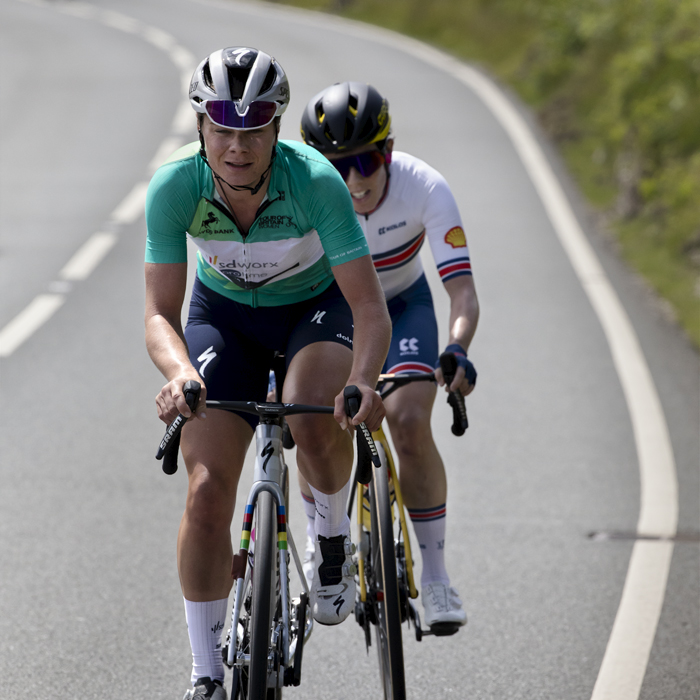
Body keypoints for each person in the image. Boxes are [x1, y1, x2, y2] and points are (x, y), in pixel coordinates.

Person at [145, 50, 391, 700]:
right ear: (200, 125)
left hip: (315, 308)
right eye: (222, 126)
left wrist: (363, 381)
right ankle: (205, 672)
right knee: (204, 492)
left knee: (315, 411)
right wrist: (177, 374)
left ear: (277, 126)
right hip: (223, 317)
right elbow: (159, 316)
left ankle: (332, 537)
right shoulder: (174, 188)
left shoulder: (314, 182)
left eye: (254, 127)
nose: (237, 144)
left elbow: (368, 307)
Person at [300, 81, 479, 634]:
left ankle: (438, 574)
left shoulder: (425, 187)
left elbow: (462, 293)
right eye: (338, 166)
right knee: (311, 417)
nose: (354, 180)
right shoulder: (303, 197)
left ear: (390, 151)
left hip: (403, 306)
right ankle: (322, 541)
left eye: (367, 161)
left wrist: (456, 347)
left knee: (406, 421)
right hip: (333, 312)